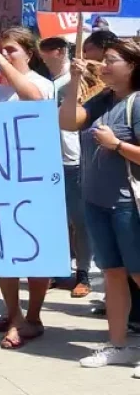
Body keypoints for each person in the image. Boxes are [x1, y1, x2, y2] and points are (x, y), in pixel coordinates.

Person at [60, 38, 140, 371]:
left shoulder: (137, 102)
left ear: (132, 66)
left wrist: (116, 144)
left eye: (111, 60)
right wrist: (74, 81)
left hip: (128, 205)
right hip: (97, 203)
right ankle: (119, 345)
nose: (103, 66)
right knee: (113, 275)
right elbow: (67, 121)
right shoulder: (102, 99)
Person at [0, 28, 55, 350]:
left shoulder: (40, 83)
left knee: (35, 251)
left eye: (11, 50)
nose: (5, 55)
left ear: (29, 53)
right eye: (1, 49)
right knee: (3, 250)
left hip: (32, 177)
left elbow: (33, 101)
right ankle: (14, 314)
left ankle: (33, 318)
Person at [40, 36, 93, 297]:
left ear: (60, 51)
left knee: (79, 220)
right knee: (54, 219)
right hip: (46, 160)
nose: (42, 54)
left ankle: (83, 273)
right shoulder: (42, 82)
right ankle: (58, 271)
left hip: (72, 159)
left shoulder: (77, 79)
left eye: (47, 49)